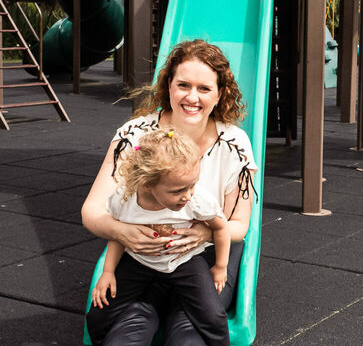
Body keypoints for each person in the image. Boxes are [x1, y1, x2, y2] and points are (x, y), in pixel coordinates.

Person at [82, 39, 257, 345]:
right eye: (183, 85)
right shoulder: (135, 135)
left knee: (189, 324)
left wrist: (203, 235)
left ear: (219, 94)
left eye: (204, 88)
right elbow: (93, 211)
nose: (192, 97)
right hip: (142, 251)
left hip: (204, 253)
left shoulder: (235, 143)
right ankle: (139, 316)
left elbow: (240, 224)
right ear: (168, 86)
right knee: (125, 319)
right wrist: (123, 231)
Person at [87, 128, 231, 346]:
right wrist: (108, 272)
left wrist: (221, 266)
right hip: (139, 262)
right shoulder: (125, 200)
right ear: (146, 183)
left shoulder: (197, 200)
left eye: (193, 184)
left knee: (214, 316)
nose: (188, 195)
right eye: (178, 190)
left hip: (184, 262)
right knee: (99, 313)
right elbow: (118, 235)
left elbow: (221, 228)